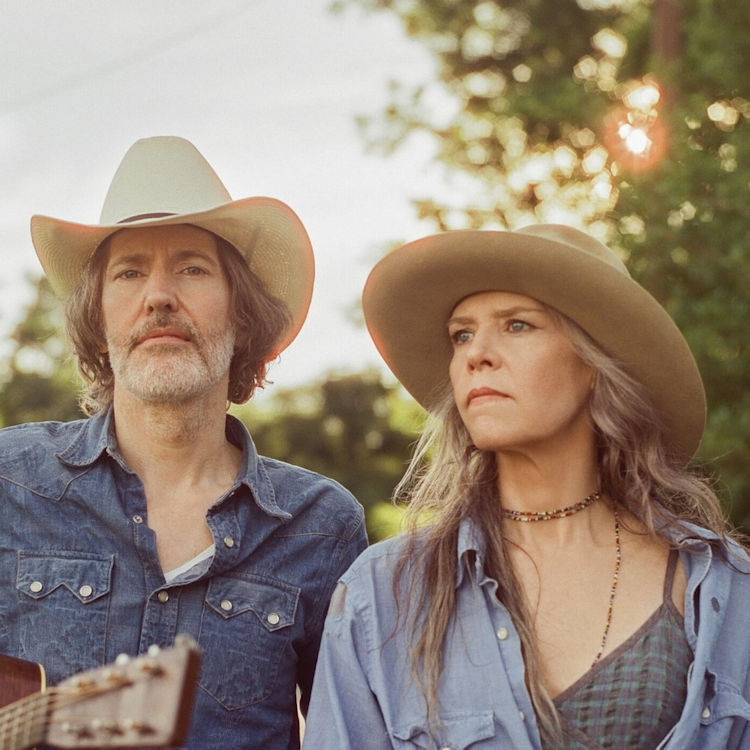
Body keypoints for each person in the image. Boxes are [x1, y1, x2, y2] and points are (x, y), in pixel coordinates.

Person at [302, 224, 750, 749]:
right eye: (461, 334)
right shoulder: (380, 598)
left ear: (594, 365)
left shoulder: (723, 587)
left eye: (517, 325)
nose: (477, 355)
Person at [0, 136, 367, 749]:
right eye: (130, 271)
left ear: (241, 313)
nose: (160, 295)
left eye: (192, 268)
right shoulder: (10, 482)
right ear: (98, 318)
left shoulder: (322, 526)